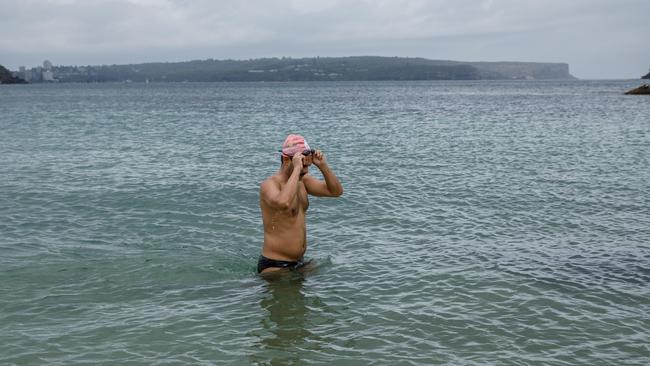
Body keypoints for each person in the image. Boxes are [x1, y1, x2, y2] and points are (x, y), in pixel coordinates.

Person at [258, 134, 343, 274]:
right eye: (302, 165)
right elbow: (283, 202)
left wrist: (323, 166)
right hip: (275, 265)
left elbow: (336, 192)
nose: (306, 170)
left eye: (308, 166)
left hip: (299, 262)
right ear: (286, 160)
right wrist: (297, 169)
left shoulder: (303, 181)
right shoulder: (269, 185)